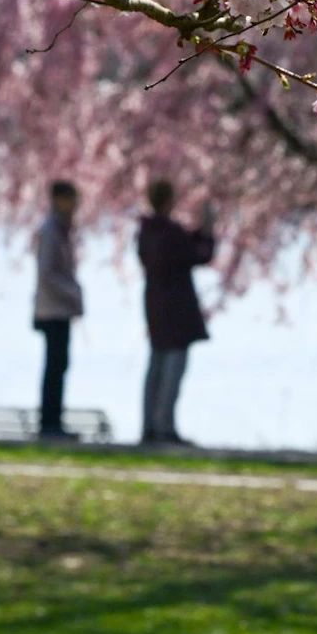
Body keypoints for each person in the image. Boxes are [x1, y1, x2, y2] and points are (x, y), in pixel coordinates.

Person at [136, 179, 215, 445]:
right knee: (171, 369)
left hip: (154, 306)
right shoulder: (168, 234)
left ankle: (150, 425)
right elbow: (199, 254)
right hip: (176, 310)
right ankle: (164, 427)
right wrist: (208, 230)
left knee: (156, 366)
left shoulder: (147, 232)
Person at [31, 179, 83, 440]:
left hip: (57, 309)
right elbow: (47, 273)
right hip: (53, 311)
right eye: (72, 198)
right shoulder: (51, 231)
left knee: (59, 365)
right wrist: (72, 292)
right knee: (55, 366)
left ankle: (53, 420)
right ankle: (50, 423)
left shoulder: (60, 229)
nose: (77, 205)